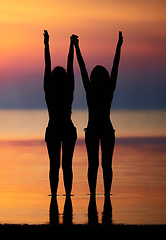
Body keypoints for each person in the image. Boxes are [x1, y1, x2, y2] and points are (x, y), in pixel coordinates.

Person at [73, 31, 123, 196]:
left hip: (94, 129)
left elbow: (82, 68)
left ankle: (93, 195)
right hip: (105, 129)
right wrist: (118, 46)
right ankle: (106, 195)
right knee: (106, 165)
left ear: (93, 78)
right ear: (106, 77)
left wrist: (76, 47)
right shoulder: (109, 89)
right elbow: (115, 66)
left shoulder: (90, 89)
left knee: (93, 165)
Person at [43, 30, 77, 197]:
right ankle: (68, 196)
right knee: (67, 165)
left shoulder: (49, 90)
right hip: (67, 128)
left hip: (54, 128)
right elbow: (70, 66)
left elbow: (47, 65)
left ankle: (54, 196)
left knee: (54, 165)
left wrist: (47, 45)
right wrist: (71, 46)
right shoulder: (68, 89)